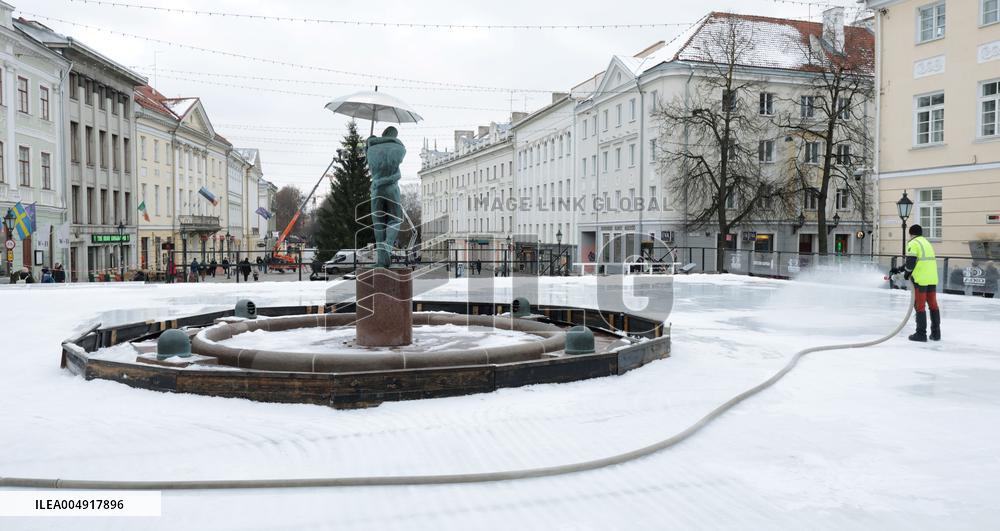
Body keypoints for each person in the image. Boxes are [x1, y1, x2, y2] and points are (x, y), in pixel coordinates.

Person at [891, 224, 941, 342]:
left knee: (920, 306)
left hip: (920, 280)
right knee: (933, 305)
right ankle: (936, 333)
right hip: (932, 278)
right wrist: (899, 269)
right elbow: (917, 260)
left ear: (911, 234)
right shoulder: (926, 243)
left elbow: (911, 262)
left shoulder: (913, 243)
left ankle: (921, 334)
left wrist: (907, 273)